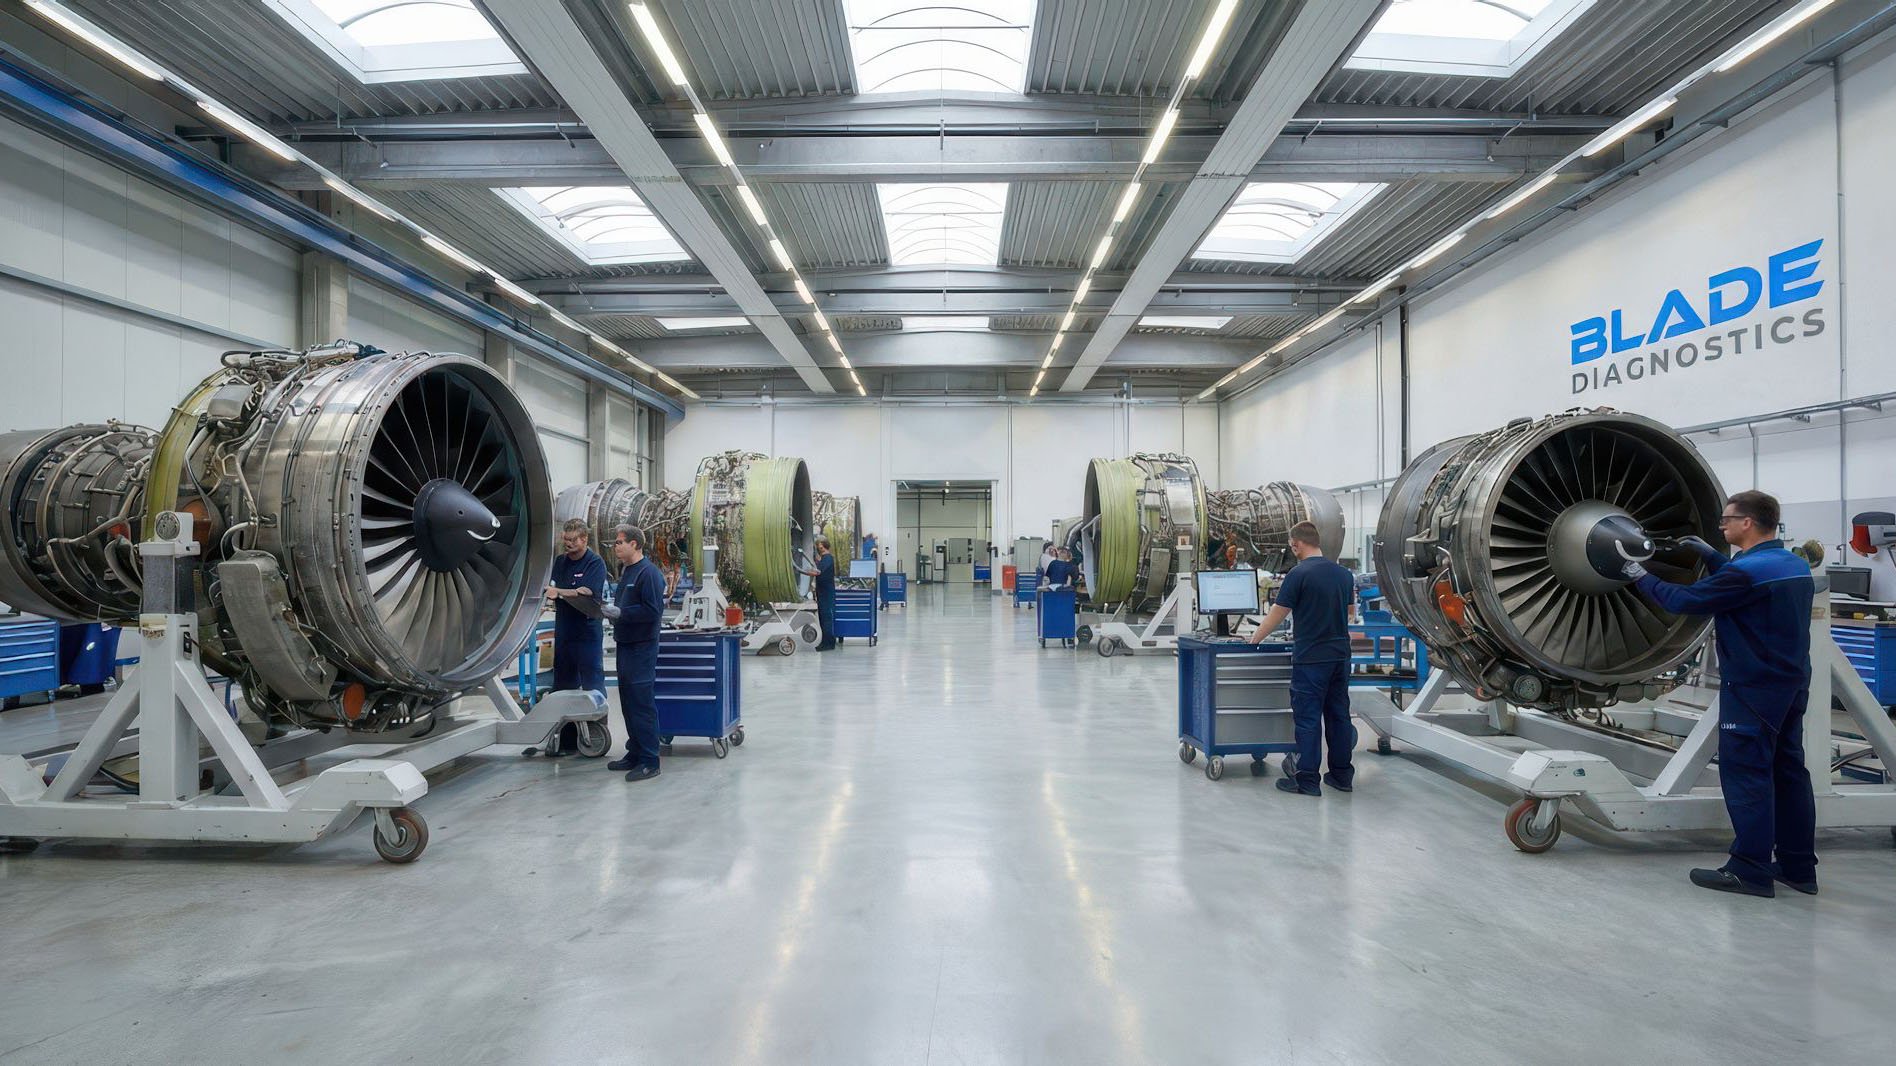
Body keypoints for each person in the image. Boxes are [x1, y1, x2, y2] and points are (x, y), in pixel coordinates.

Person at [1624, 490, 1816, 898]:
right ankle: (1799, 868)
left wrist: (1639, 574)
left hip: (1753, 689)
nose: (1722, 526)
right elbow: (1745, 585)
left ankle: (1749, 870)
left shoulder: (1744, 574)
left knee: (1747, 776)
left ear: (1748, 522)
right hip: (1792, 684)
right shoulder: (1793, 564)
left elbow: (1684, 600)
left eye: (1727, 520)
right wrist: (1712, 556)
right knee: (1789, 774)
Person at [1248, 521, 1355, 797]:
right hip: (1340, 657)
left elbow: (1278, 613)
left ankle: (1307, 780)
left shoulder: (1298, 574)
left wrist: (1255, 638)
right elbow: (1351, 614)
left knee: (1308, 720)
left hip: (1311, 659)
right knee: (1339, 716)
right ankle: (1342, 777)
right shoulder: (1344, 575)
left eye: (1291, 544)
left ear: (1296, 544)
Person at [600, 525, 667, 782]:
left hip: (642, 648)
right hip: (626, 644)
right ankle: (635, 752)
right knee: (628, 702)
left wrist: (622, 614)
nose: (615, 547)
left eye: (619, 542)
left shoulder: (649, 574)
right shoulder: (627, 571)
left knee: (641, 704)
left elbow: (653, 612)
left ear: (635, 544)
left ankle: (651, 760)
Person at [541, 519, 608, 754]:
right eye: (565, 540)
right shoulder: (560, 562)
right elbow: (549, 587)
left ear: (584, 540)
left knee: (592, 684)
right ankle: (568, 742)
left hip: (587, 632)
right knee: (562, 685)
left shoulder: (595, 563)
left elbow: (585, 592)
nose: (567, 544)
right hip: (565, 631)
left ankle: (597, 737)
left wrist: (558, 592)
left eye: (572, 540)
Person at [801, 537, 838, 651]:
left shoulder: (827, 559)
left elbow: (818, 572)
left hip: (826, 594)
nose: (818, 548)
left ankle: (828, 644)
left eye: (820, 546)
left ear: (825, 546)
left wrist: (804, 572)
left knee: (826, 618)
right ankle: (827, 642)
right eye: (817, 546)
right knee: (823, 618)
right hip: (823, 593)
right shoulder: (823, 559)